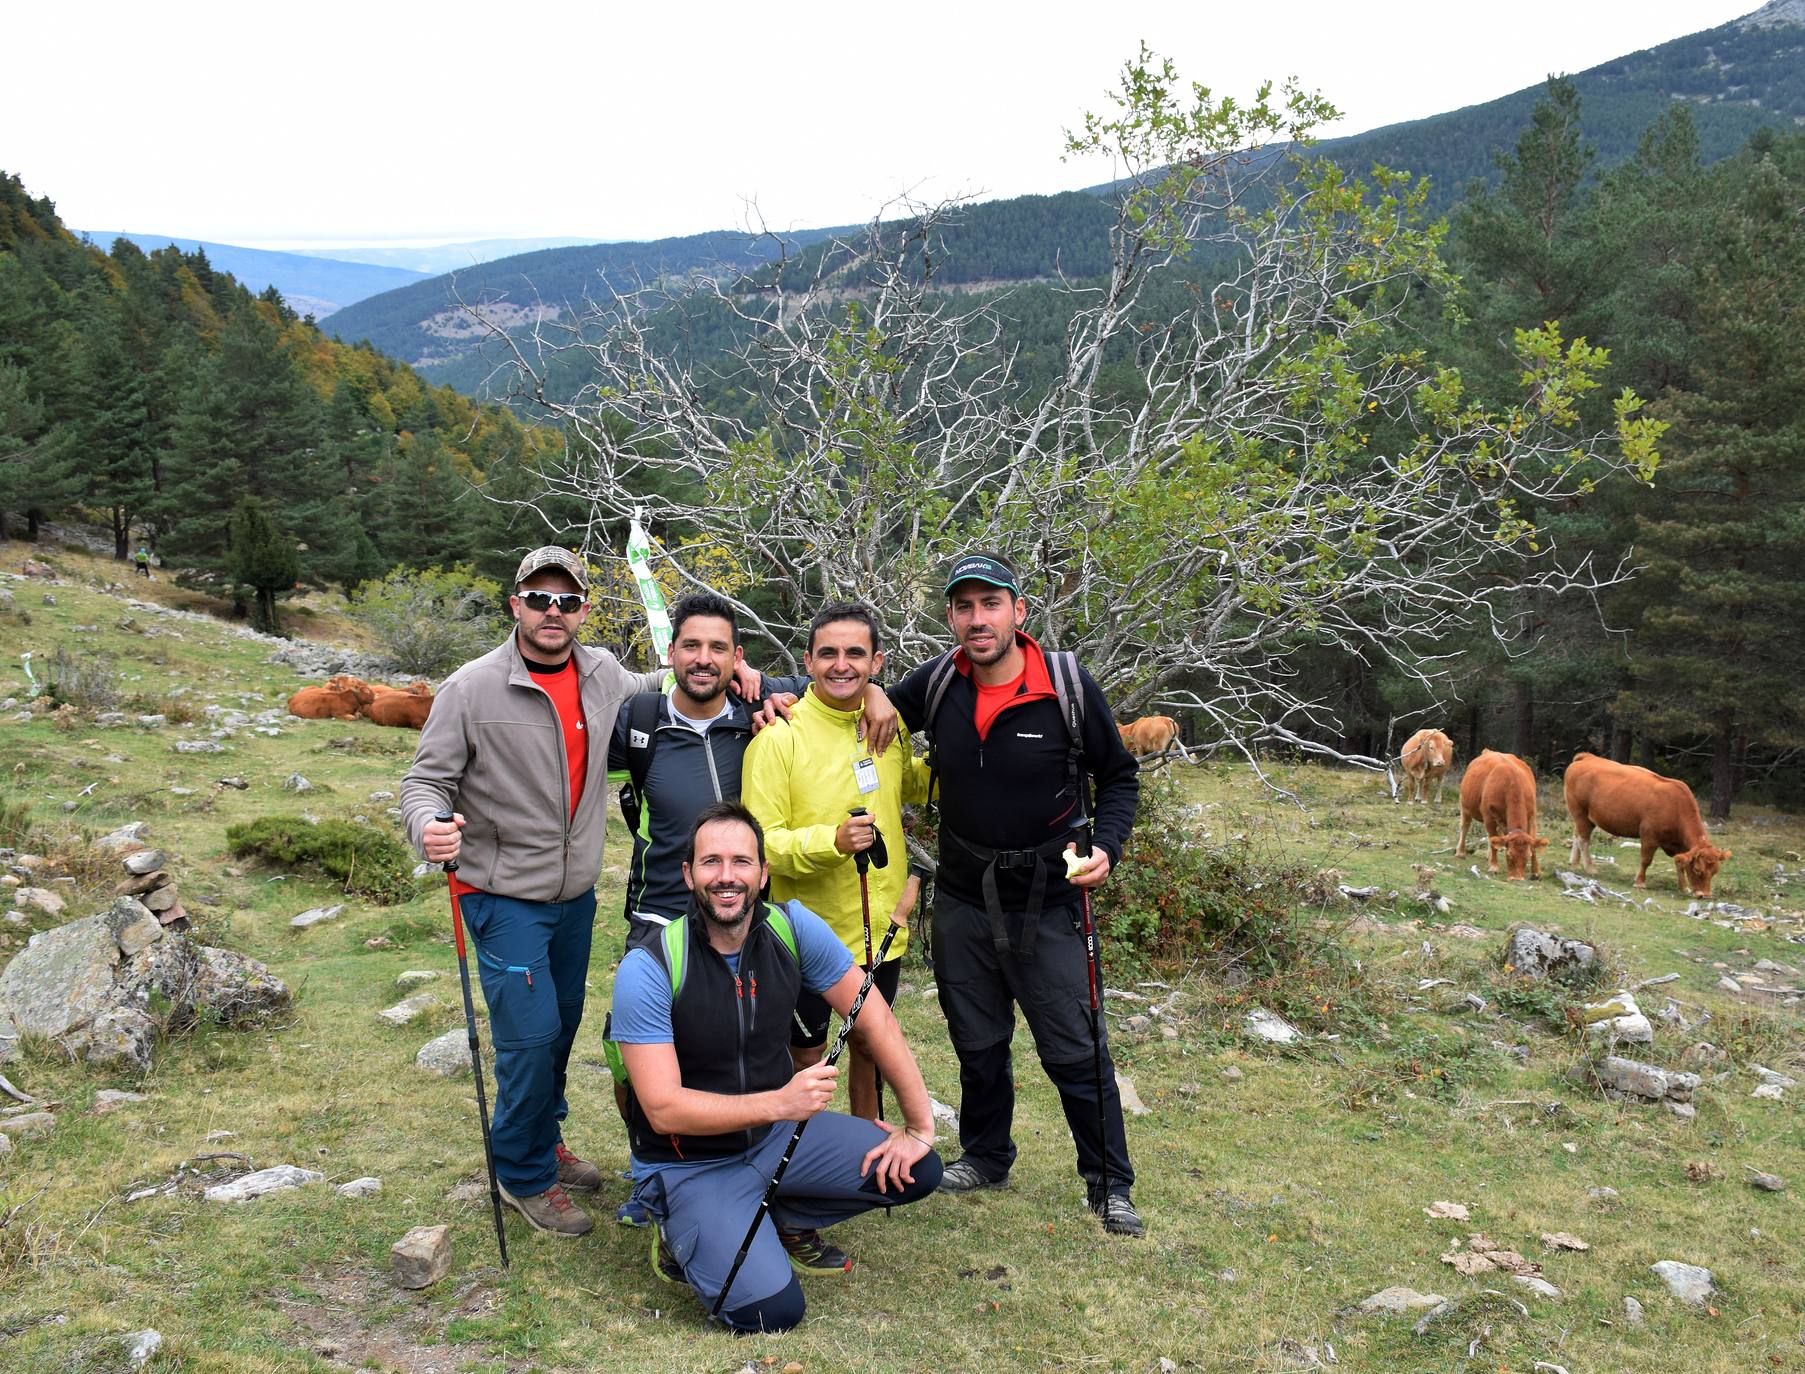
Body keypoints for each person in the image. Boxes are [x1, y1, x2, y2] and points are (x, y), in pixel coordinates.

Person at [402, 546, 705, 1238]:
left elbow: (660, 679)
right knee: (529, 1038)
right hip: (501, 894)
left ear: (583, 612)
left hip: (574, 899)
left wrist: (748, 675)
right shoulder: (472, 687)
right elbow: (425, 782)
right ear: (515, 605)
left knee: (561, 1028)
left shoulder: (600, 673)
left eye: (566, 602)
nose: (552, 612)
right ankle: (522, 1173)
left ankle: (545, 1136)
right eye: (539, 598)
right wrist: (429, 829)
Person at [604, 590, 897, 1240]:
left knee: (762, 1046)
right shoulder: (640, 721)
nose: (703, 659)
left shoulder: (761, 716)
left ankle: (774, 1172)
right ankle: (649, 1171)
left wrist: (877, 694)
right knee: (635, 1056)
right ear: (671, 652)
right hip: (659, 915)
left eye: (717, 648)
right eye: (690, 646)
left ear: (737, 658)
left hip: (742, 917)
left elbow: (831, 676)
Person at [887, 552, 1146, 1236]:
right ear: (949, 616)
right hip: (963, 898)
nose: (978, 619)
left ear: (1017, 611)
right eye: (964, 606)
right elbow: (852, 692)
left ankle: (1108, 1182)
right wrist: (772, 687)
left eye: (990, 604)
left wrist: (1106, 850)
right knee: (976, 1041)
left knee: (1073, 1047)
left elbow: (1118, 778)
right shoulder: (938, 682)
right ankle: (986, 1155)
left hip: (1049, 901)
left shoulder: (1064, 685)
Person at [610, 802, 942, 1332]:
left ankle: (778, 1214)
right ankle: (677, 1226)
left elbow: (875, 1020)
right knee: (772, 1313)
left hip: (774, 1139)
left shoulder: (792, 929)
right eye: (711, 862)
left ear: (763, 873)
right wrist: (781, 1103)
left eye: (741, 862)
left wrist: (920, 1125)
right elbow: (663, 1108)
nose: (726, 876)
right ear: (688, 874)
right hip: (691, 1163)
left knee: (918, 1169)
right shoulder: (650, 967)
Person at [741, 600, 931, 1127]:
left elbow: (912, 782)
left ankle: (862, 1151)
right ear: (807, 661)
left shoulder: (887, 728)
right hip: (803, 935)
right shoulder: (778, 737)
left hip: (880, 929)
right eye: (828, 654)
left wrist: (975, 755)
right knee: (808, 1055)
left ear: (877, 662)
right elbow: (761, 847)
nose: (841, 665)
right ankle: (803, 1151)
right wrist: (832, 840)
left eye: (855, 654)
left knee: (872, 1047)